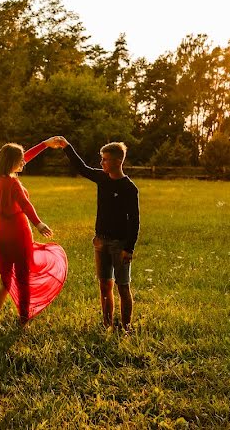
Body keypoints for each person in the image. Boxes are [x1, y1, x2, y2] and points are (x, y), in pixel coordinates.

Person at [56, 137, 139, 333]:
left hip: (120, 245)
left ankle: (126, 328)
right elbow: (82, 168)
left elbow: (134, 221)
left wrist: (129, 248)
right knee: (104, 285)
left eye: (105, 159)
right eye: (101, 159)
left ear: (118, 161)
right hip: (100, 241)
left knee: (123, 287)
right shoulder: (102, 178)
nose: (101, 163)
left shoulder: (129, 188)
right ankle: (107, 325)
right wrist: (67, 146)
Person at [0, 137, 68, 328]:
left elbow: (24, 158)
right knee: (23, 280)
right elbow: (25, 204)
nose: (24, 162)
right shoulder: (14, 184)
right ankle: (23, 322)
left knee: (5, 282)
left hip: (1, 235)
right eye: (20, 161)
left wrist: (44, 145)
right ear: (12, 163)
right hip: (19, 234)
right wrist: (39, 224)